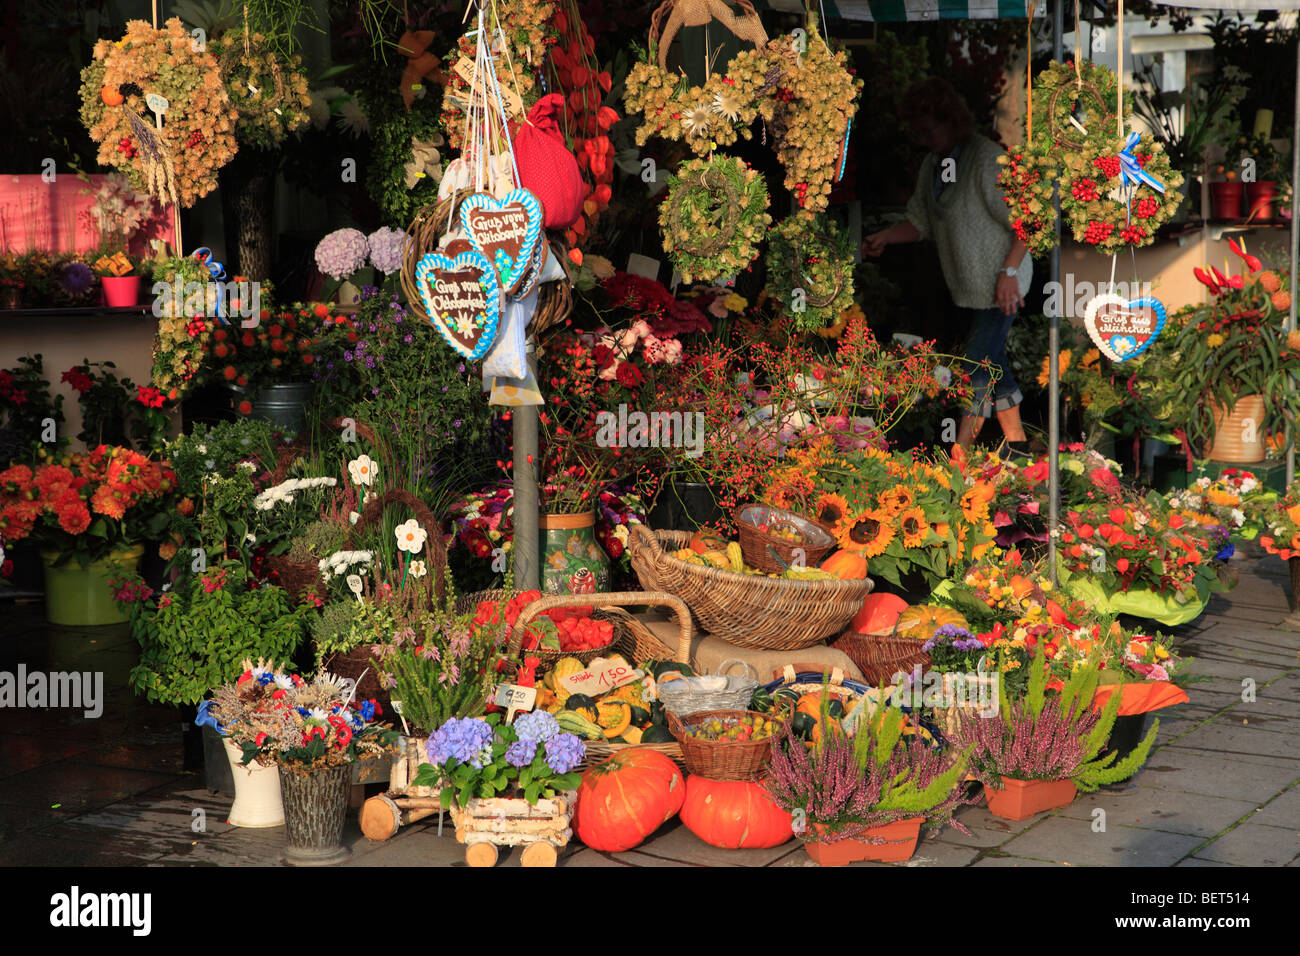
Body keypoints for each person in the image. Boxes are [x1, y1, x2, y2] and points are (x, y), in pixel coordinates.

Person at [863, 77, 1032, 455]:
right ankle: (1018, 446)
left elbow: (1027, 221)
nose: (922, 138)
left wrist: (1008, 274)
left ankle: (960, 454)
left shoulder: (987, 160)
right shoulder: (934, 164)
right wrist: (886, 237)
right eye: (917, 132)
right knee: (992, 361)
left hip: (1005, 282)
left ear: (951, 121)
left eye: (928, 130)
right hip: (973, 289)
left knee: (973, 363)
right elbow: (921, 221)